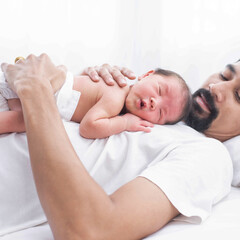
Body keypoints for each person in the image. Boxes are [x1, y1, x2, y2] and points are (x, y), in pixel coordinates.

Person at [0, 54, 233, 239]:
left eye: (239, 95)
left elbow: (91, 231)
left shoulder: (209, 153)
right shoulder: (147, 96)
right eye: (224, 75)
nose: (217, 88)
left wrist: (36, 89)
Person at [0, 61, 191, 138]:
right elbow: (88, 127)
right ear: (147, 74)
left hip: (25, 87)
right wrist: (124, 123)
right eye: (159, 90)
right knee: (27, 121)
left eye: (160, 112)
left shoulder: (117, 86)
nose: (154, 103)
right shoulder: (116, 97)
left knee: (21, 117)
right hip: (32, 89)